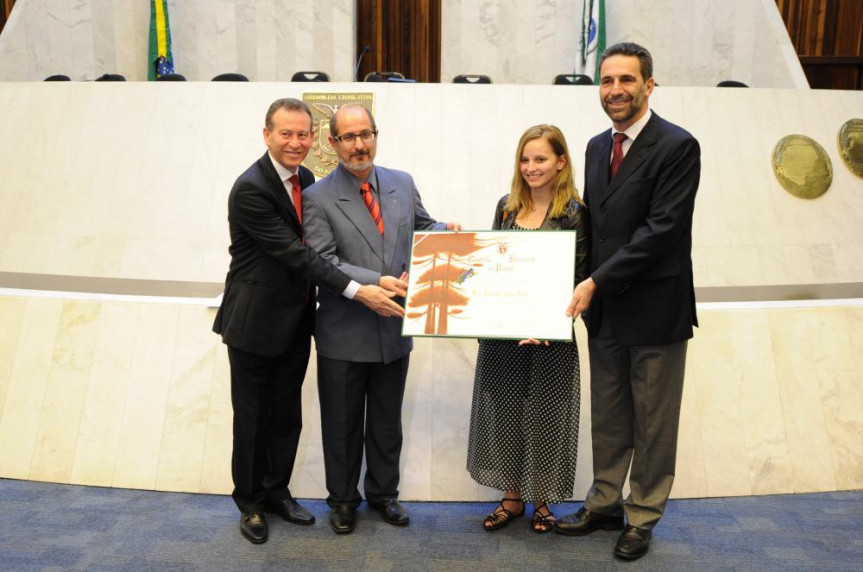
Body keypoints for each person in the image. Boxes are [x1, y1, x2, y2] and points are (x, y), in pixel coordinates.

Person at [213, 98, 405, 545]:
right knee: (253, 419)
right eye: (286, 134)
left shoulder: (303, 179)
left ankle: (277, 492)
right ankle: (251, 505)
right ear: (267, 135)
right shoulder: (251, 188)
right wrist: (361, 290)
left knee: (286, 417)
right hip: (254, 323)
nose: (296, 142)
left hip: (296, 321)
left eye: (303, 134)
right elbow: (300, 256)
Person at [554, 43, 701, 561]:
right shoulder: (596, 146)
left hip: (656, 309)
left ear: (649, 85)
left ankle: (642, 516)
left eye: (626, 80)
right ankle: (604, 502)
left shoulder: (678, 146)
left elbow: (661, 231)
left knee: (655, 421)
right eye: (607, 80)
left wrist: (594, 281)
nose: (615, 90)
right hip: (606, 311)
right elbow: (592, 226)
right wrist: (562, 280)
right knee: (610, 414)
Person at [303, 104, 460, 534]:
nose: (359, 145)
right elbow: (321, 259)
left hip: (393, 328)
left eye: (366, 134)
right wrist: (380, 281)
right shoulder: (316, 197)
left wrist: (455, 233)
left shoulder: (401, 183)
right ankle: (342, 501)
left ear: (376, 135)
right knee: (342, 425)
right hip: (344, 332)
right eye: (349, 137)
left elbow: (425, 229)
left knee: (387, 422)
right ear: (333, 144)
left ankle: (383, 495)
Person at [466, 124, 589, 533]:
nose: (531, 167)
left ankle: (542, 501)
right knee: (505, 414)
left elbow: (580, 275)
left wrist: (549, 322)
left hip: (550, 338)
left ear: (561, 162)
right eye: (525, 159)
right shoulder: (506, 206)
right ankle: (512, 497)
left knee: (546, 416)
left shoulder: (574, 211)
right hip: (504, 336)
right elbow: (494, 268)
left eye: (540, 159)